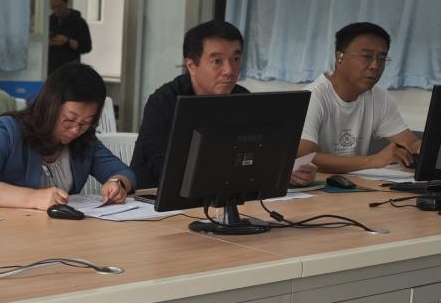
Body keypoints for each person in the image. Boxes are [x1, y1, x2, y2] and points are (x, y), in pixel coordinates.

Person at [130, 20, 318, 190]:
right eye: (217, 61)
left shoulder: (243, 99)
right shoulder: (163, 103)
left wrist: (288, 173)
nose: (229, 70)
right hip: (154, 203)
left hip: (225, 198)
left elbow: (259, 154)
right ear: (191, 65)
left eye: (235, 59)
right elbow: (165, 170)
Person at [0, 62, 134, 209]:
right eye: (69, 119)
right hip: (10, 230)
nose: (75, 130)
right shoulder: (8, 130)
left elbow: (124, 172)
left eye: (85, 123)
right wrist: (33, 198)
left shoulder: (84, 141)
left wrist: (117, 184)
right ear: (51, 106)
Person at [297, 22, 422, 173]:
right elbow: (306, 157)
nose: (375, 66)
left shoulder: (380, 97)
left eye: (382, 59)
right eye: (366, 56)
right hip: (317, 185)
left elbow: (411, 143)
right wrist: (373, 161)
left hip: (355, 183)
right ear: (339, 57)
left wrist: (422, 149)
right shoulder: (313, 97)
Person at [47, 0, 92, 71]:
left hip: (70, 69)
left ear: (66, 3)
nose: (56, 10)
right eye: (53, 7)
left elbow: (87, 47)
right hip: (51, 68)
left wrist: (67, 42)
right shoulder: (50, 20)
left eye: (59, 6)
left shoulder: (78, 22)